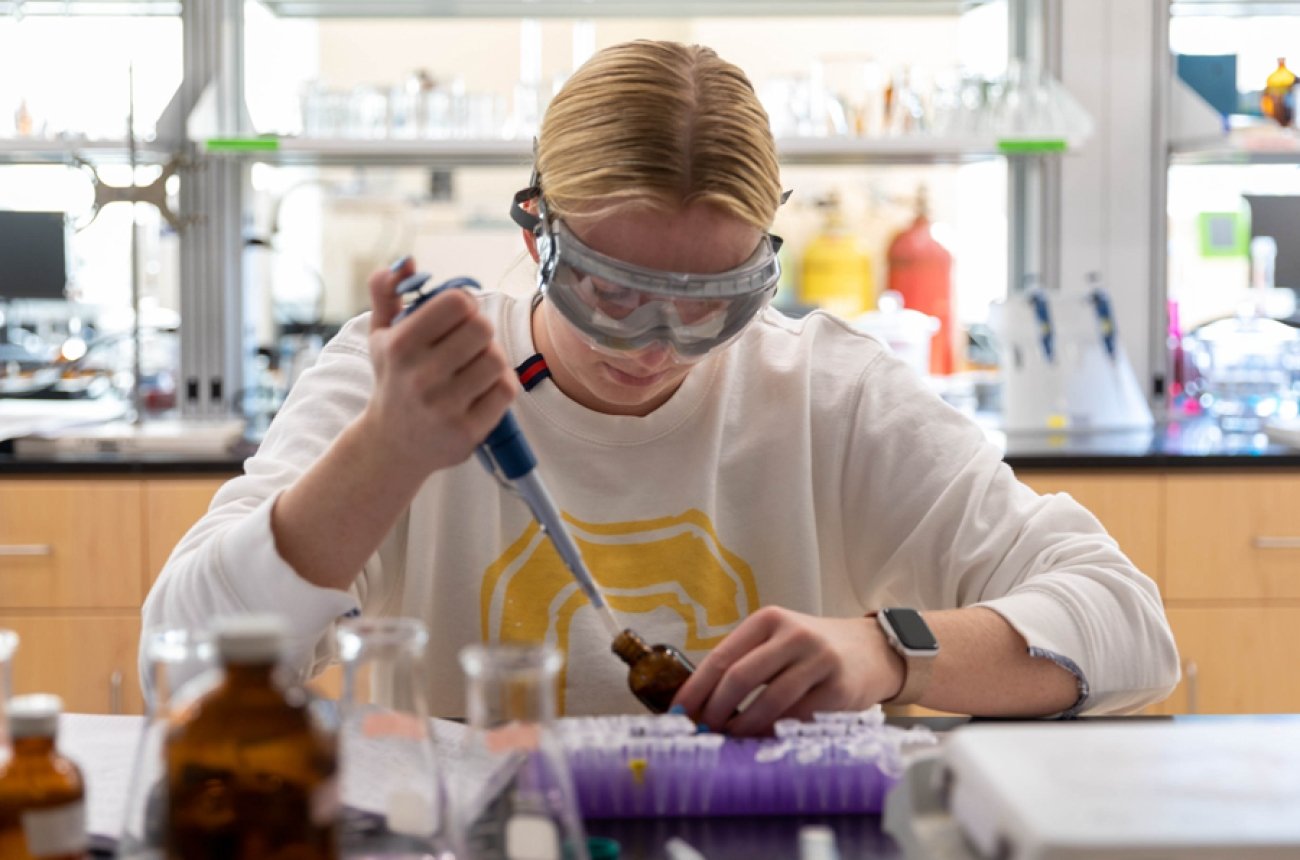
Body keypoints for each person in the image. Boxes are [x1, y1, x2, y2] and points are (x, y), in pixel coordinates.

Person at [142, 40, 1179, 734]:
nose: (655, 344)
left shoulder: (829, 392)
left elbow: (1127, 624)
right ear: (533, 230)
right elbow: (176, 663)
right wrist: (385, 453)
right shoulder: (410, 383)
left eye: (713, 300)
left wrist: (884, 651)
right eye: (610, 291)